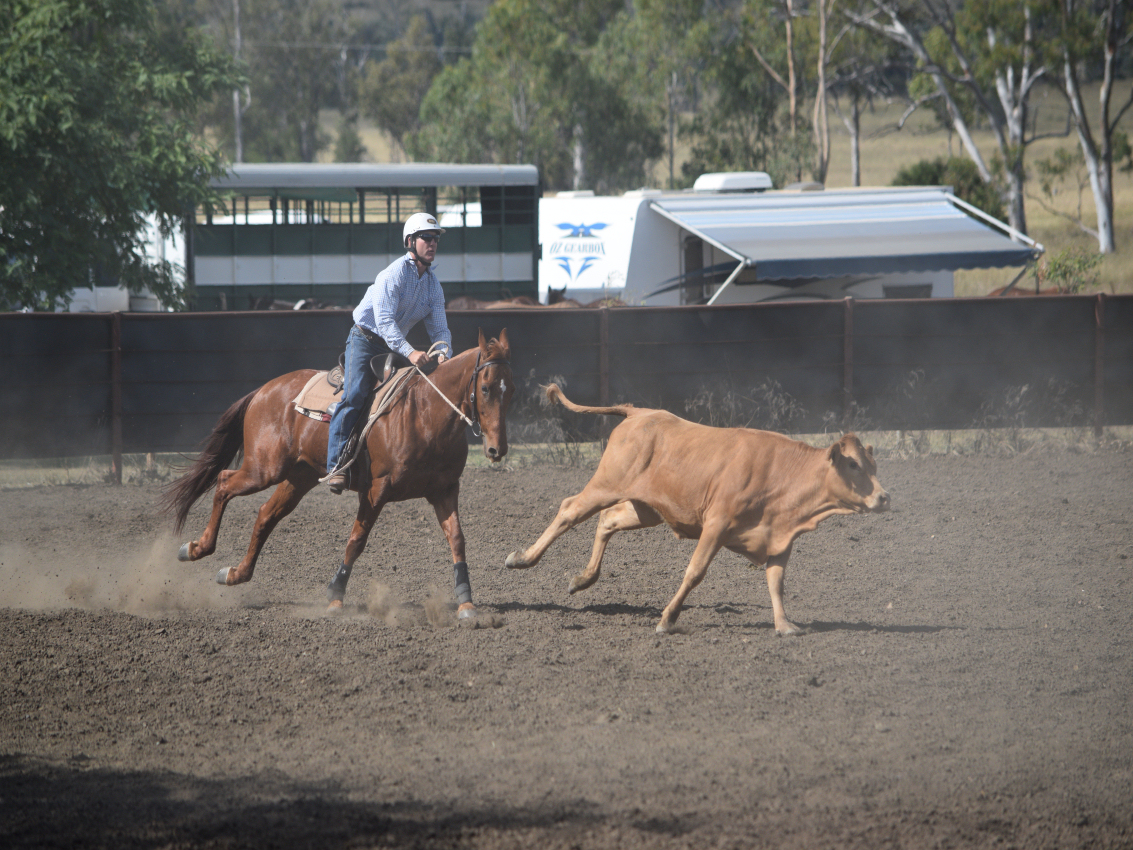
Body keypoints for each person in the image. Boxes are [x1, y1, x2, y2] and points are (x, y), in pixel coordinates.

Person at [324, 212, 453, 493]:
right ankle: (336, 465)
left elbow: (441, 329)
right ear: (410, 241)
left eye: (436, 239)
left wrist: (444, 353)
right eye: (426, 237)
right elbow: (384, 322)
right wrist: (411, 352)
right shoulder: (392, 275)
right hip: (365, 339)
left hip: (391, 346)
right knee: (355, 394)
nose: (432, 243)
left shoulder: (433, 286)